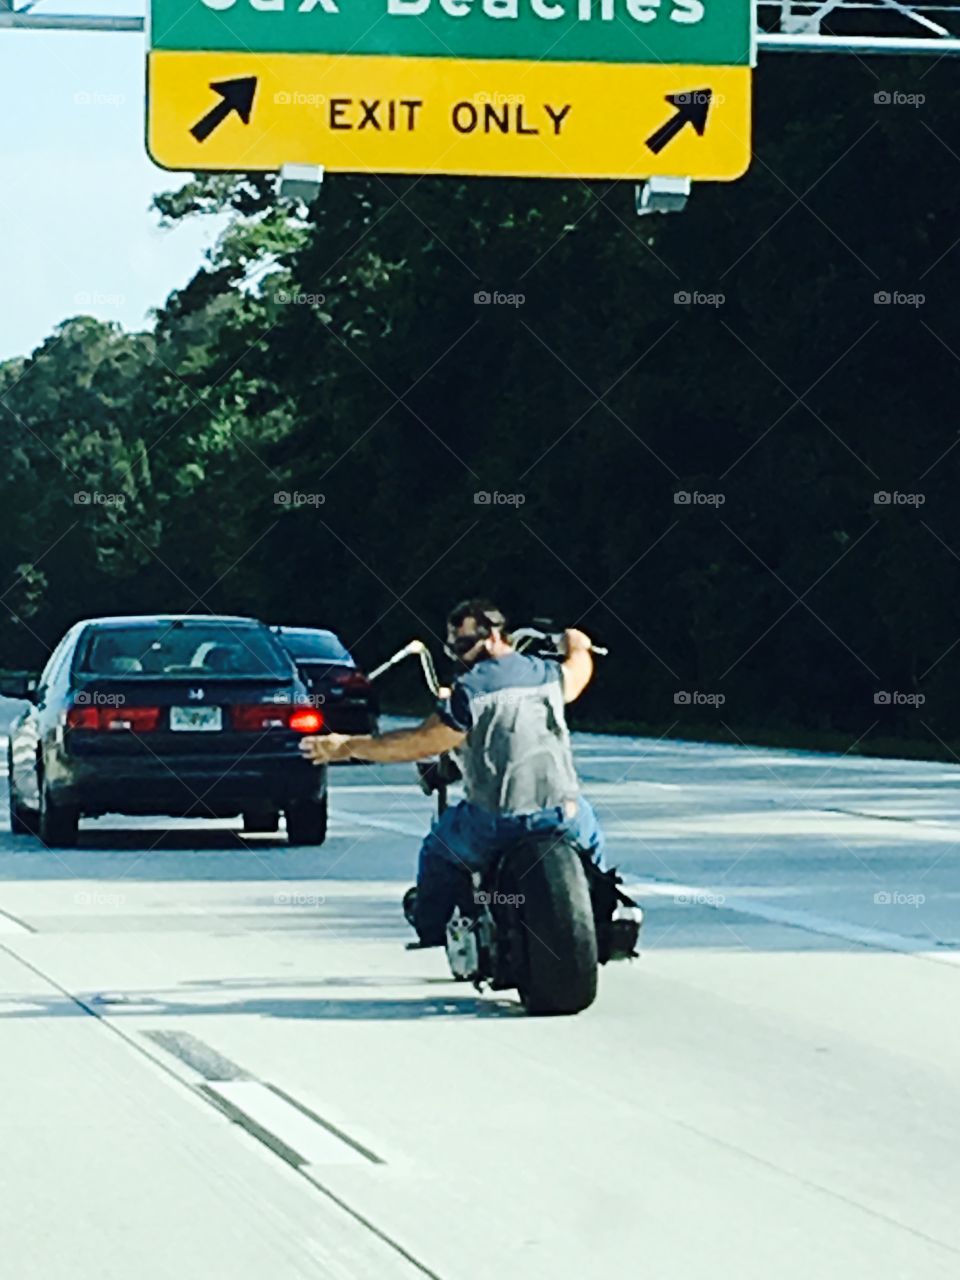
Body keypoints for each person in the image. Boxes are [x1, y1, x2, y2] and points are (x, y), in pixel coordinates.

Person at [299, 599, 604, 946]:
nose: (459, 654)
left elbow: (422, 743)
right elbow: (578, 672)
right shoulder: (546, 675)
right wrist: (577, 644)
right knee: (593, 839)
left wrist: (346, 746)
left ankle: (432, 928)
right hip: (562, 813)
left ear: (493, 636)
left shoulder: (471, 690)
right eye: (453, 647)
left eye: (464, 644)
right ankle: (601, 910)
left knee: (437, 850)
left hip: (495, 821)